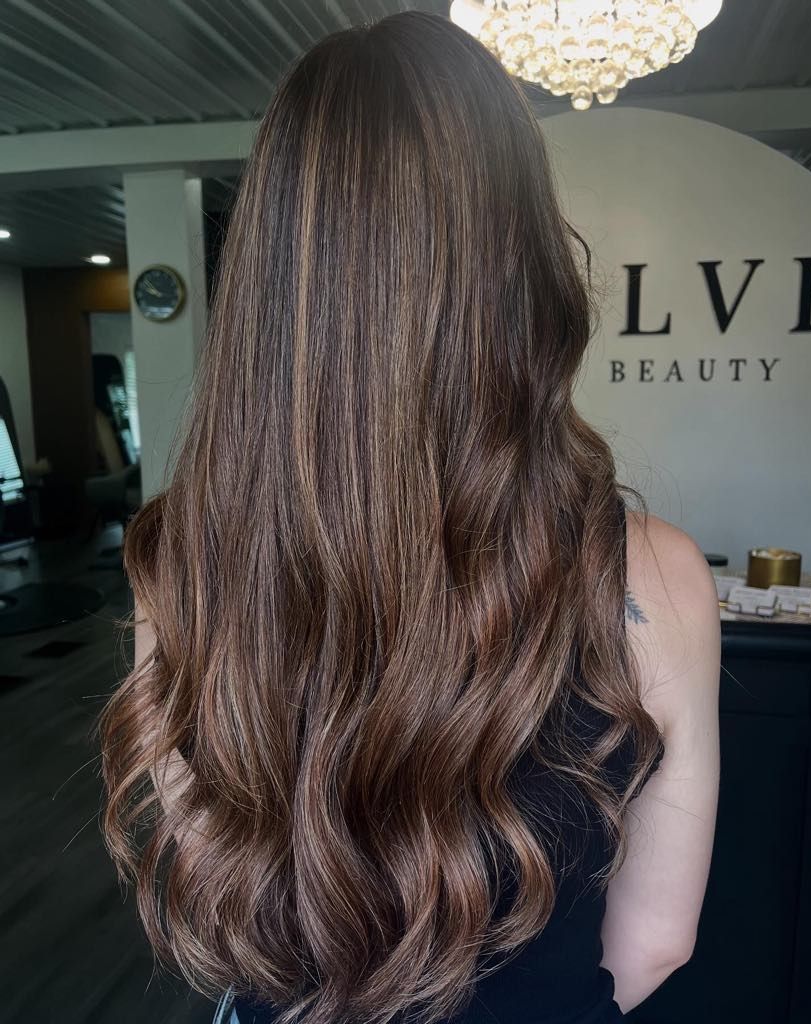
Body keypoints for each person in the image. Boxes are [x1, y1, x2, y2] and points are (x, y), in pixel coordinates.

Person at [98, 11, 721, 1024]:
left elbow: (208, 855)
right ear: (521, 268)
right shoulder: (653, 574)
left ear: (271, 279)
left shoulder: (182, 559)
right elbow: (655, 942)